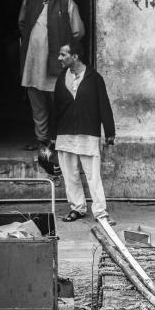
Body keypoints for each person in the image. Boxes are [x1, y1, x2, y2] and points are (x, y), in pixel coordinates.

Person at [19, 0, 84, 152]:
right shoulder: (29, 0)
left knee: (60, 102)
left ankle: (58, 140)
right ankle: (41, 139)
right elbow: (22, 24)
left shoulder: (67, 2)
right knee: (37, 101)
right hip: (33, 63)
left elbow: (78, 32)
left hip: (57, 63)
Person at [52, 40, 116, 225]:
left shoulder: (94, 78)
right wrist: (51, 136)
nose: (59, 58)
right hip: (65, 134)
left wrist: (109, 131)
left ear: (75, 56)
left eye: (63, 54)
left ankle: (100, 212)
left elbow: (104, 105)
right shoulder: (61, 78)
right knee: (69, 174)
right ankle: (77, 208)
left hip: (88, 133)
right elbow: (55, 108)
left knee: (93, 174)